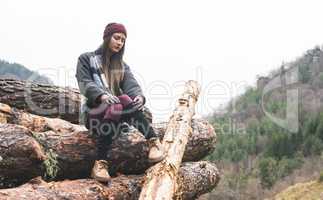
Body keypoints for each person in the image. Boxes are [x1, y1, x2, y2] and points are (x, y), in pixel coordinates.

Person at [75, 22, 164, 182]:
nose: (119, 42)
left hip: (115, 117)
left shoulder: (122, 66)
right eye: (116, 38)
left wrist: (139, 97)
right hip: (94, 114)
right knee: (117, 102)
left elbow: (131, 84)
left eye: (123, 40)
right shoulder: (86, 59)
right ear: (107, 37)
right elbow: (85, 83)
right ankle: (100, 163)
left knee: (124, 99)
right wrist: (102, 96)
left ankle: (153, 142)